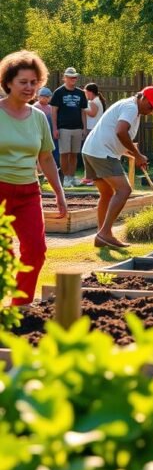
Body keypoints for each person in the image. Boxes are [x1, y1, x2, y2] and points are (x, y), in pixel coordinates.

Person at [0, 50, 67, 305]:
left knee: (36, 252)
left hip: (28, 193)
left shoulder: (39, 117)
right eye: (23, 82)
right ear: (7, 82)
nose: (29, 88)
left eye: (33, 82)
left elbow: (46, 158)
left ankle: (21, 307)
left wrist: (59, 194)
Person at [82, 86, 153, 248]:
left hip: (91, 150)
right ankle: (105, 233)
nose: (151, 111)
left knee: (107, 193)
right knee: (124, 190)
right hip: (102, 152)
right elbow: (120, 132)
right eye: (151, 106)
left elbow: (118, 136)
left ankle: (101, 235)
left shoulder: (131, 107)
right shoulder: (131, 107)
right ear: (143, 98)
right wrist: (137, 155)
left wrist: (137, 155)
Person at [50, 66, 88, 187]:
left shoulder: (81, 93)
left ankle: (72, 177)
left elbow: (83, 111)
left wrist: (84, 128)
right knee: (64, 153)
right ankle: (66, 177)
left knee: (74, 153)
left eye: (75, 77)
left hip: (77, 127)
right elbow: (54, 111)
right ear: (65, 78)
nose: (73, 79)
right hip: (63, 127)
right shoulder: (58, 92)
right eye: (71, 77)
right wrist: (55, 128)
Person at [80, 83, 107, 184]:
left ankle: (92, 177)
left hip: (93, 129)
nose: (86, 94)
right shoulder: (94, 101)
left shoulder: (94, 102)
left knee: (91, 153)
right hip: (93, 129)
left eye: (86, 92)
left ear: (90, 92)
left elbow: (92, 113)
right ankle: (91, 176)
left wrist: (83, 107)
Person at [33, 85, 59, 169]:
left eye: (48, 97)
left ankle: (48, 168)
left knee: (48, 151)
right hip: (38, 133)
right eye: (44, 97)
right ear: (39, 97)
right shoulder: (35, 107)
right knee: (39, 151)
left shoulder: (50, 108)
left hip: (49, 134)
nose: (46, 99)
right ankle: (39, 169)